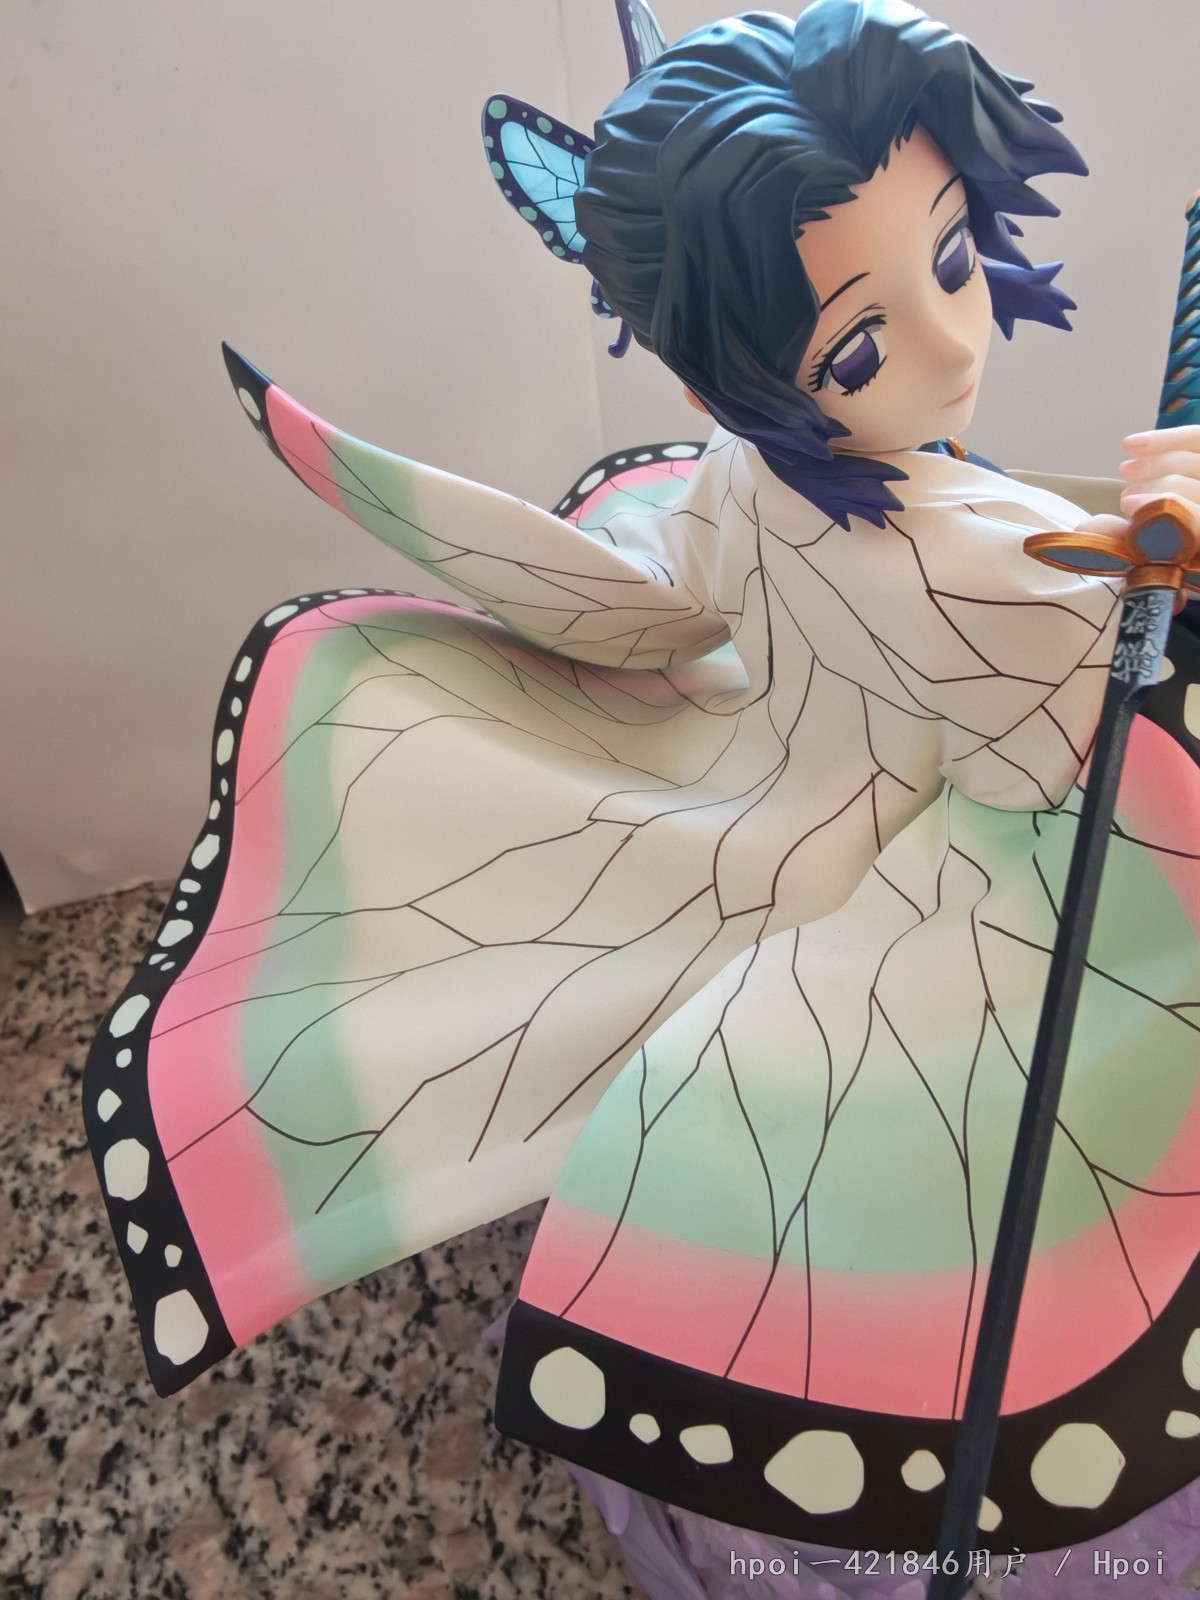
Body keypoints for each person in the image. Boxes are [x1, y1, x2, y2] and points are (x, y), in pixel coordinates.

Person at [84, 2, 1200, 1594]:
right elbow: (1081, 719)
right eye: (861, 345)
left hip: (782, 791)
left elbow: (660, 605)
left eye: (953, 259)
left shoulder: (744, 473)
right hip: (949, 881)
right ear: (737, 361)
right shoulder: (978, 561)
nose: (955, 348)